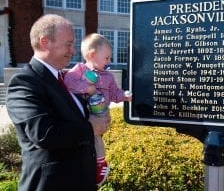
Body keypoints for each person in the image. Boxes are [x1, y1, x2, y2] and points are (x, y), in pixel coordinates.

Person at [5, 14, 110, 191]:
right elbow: (43, 133)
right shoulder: (25, 82)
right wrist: (91, 128)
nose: (73, 51)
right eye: (68, 44)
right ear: (45, 42)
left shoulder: (66, 79)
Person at [64, 33, 132, 186]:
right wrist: (87, 87)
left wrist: (125, 96)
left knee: (97, 137)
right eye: (107, 58)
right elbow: (68, 82)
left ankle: (101, 163)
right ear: (92, 55)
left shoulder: (108, 76)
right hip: (83, 113)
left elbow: (115, 93)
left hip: (101, 113)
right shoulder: (80, 70)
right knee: (88, 140)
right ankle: (93, 164)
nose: (110, 61)